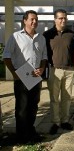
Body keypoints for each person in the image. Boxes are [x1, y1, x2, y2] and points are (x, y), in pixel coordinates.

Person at [3, 10, 47, 143]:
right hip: (22, 77)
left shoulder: (41, 38)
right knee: (22, 108)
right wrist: (14, 73)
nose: (34, 22)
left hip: (35, 77)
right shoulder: (15, 37)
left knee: (33, 106)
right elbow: (6, 56)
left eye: (36, 19)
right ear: (25, 20)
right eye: (32, 19)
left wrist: (42, 68)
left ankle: (30, 131)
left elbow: (44, 56)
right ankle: (22, 136)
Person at [43, 9, 74, 134]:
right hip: (54, 70)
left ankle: (65, 121)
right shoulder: (47, 35)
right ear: (55, 19)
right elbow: (44, 53)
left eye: (65, 18)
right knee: (54, 98)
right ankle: (55, 122)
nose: (63, 20)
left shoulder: (71, 34)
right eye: (60, 18)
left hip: (70, 70)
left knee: (67, 98)